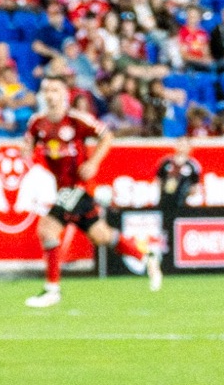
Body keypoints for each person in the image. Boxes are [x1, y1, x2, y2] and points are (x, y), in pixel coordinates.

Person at [24, 73, 159, 307]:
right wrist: (30, 162)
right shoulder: (37, 123)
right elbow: (28, 146)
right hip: (62, 189)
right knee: (101, 235)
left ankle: (52, 290)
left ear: (65, 95)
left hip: (79, 187)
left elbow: (107, 136)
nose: (50, 95)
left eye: (55, 90)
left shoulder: (76, 120)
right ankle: (146, 257)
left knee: (47, 230)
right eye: (46, 91)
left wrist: (94, 162)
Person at [156, 140, 204, 211]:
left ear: (189, 148)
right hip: (164, 203)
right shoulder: (166, 162)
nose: (182, 148)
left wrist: (185, 192)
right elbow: (158, 179)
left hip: (182, 205)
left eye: (185, 145)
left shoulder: (192, 165)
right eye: (180, 144)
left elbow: (195, 185)